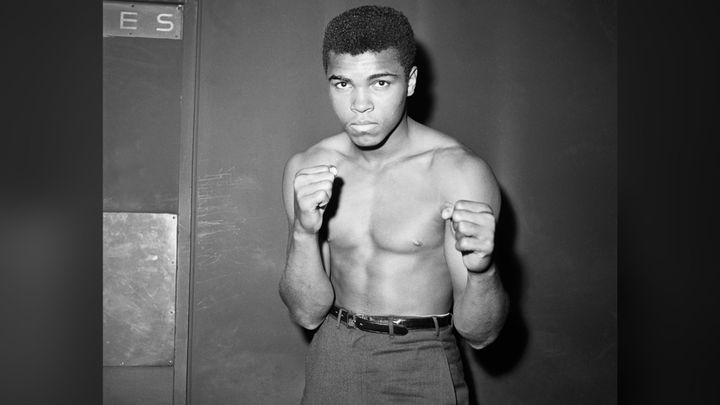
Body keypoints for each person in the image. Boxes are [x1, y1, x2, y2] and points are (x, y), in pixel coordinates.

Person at [279, 5, 508, 404]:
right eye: (343, 84)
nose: (360, 104)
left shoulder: (457, 173)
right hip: (335, 352)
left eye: (380, 83)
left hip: (424, 357)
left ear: (411, 82)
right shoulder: (309, 168)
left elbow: (481, 334)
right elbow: (307, 313)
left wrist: (484, 271)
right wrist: (303, 232)